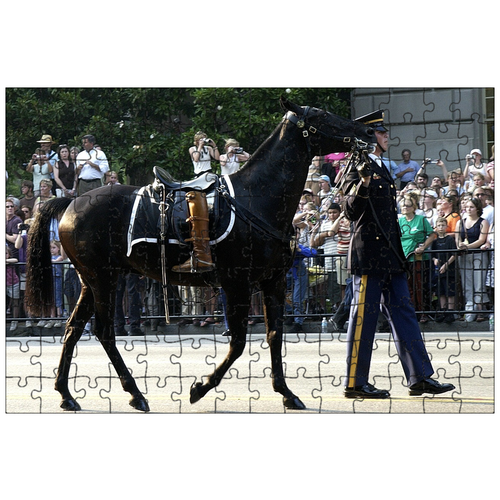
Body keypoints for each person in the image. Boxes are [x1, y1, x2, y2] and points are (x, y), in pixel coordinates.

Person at [342, 109, 454, 398]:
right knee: (364, 319)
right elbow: (351, 211)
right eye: (380, 132)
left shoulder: (381, 166)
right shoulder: (357, 166)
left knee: (404, 313)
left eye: (384, 131)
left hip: (390, 255)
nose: (386, 135)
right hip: (368, 256)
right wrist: (364, 183)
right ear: (369, 137)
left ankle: (419, 376)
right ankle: (355, 382)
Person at [171, 132, 218, 273]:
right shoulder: (193, 149)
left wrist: (213, 146)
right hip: (198, 177)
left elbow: (217, 158)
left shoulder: (208, 149)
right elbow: (196, 159)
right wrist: (200, 146)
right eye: (200, 139)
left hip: (209, 175)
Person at [398, 193, 437, 323]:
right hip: (403, 258)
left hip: (418, 258)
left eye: (408, 205)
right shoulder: (399, 221)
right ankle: (410, 313)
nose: (405, 208)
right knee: (406, 287)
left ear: (413, 207)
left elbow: (432, 235)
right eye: (403, 205)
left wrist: (423, 247)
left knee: (419, 286)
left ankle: (422, 312)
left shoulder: (421, 219)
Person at [455, 197, 490, 322]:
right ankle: (469, 309)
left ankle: (480, 310)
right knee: (466, 283)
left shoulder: (483, 222)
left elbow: (481, 240)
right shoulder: (460, 222)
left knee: (479, 283)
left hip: (478, 255)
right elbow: (457, 238)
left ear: (477, 209)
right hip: (464, 256)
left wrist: (466, 247)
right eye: (467, 207)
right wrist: (460, 246)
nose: (468, 209)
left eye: (471, 207)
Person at [309, 202, 342, 311]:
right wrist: (324, 233)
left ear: (339, 212)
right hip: (329, 260)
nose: (332, 215)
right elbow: (316, 243)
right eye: (330, 213)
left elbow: (332, 233)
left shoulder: (344, 223)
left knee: (341, 286)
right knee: (331, 287)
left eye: (334, 212)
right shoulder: (325, 224)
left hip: (341, 258)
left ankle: (342, 308)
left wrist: (329, 233)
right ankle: (335, 307)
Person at [431, 217, 457, 324]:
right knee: (440, 292)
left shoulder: (450, 239)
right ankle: (443, 311)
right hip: (438, 271)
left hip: (449, 269)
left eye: (443, 225)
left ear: (447, 226)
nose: (441, 227)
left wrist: (446, 265)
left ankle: (450, 312)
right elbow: (432, 255)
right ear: (436, 227)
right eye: (439, 225)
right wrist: (435, 260)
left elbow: (454, 254)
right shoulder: (435, 241)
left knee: (449, 291)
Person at [44, 240, 64, 329]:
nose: (52, 250)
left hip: (57, 278)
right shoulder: (49, 257)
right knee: (51, 298)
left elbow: (55, 261)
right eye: (50, 248)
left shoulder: (60, 257)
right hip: (49, 279)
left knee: (58, 298)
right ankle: (52, 318)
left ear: (59, 249)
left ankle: (59, 318)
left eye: (54, 247)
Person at [6, 246, 20, 332]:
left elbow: (16, 260)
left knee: (15, 301)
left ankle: (15, 320)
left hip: (13, 283)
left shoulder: (11, 260)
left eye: (6, 253)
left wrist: (5, 261)